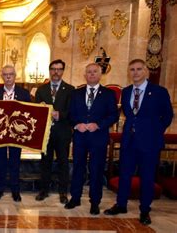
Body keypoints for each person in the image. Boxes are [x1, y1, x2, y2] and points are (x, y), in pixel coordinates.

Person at [104, 59, 173, 225]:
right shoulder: (126, 91)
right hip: (129, 141)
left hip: (150, 143)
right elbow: (129, 115)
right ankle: (121, 205)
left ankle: (145, 210)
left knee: (147, 177)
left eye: (139, 69)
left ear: (146, 71)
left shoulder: (159, 91)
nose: (135, 72)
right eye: (132, 70)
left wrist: (154, 132)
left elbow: (168, 116)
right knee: (124, 174)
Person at [65, 63, 119, 215]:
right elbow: (70, 114)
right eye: (89, 72)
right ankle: (75, 198)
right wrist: (76, 124)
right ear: (85, 75)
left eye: (95, 72)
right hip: (80, 137)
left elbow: (113, 115)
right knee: (77, 168)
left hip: (98, 137)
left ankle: (95, 202)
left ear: (100, 74)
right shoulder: (76, 93)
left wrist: (99, 125)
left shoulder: (108, 94)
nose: (92, 74)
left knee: (96, 169)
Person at [35, 59, 74, 204]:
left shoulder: (70, 90)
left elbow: (72, 111)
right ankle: (43, 190)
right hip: (45, 133)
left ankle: (63, 192)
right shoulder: (41, 90)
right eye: (53, 69)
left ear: (63, 71)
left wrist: (60, 115)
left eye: (59, 69)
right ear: (49, 70)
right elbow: (36, 110)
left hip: (63, 132)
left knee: (63, 162)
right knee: (45, 162)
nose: (56, 72)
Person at [0, 65, 31, 202]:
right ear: (2, 77)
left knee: (15, 162)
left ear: (15, 76)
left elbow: (29, 113)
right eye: (5, 74)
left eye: (11, 74)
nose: (8, 77)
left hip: (16, 134)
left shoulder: (24, 93)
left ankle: (15, 190)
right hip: (0, 133)